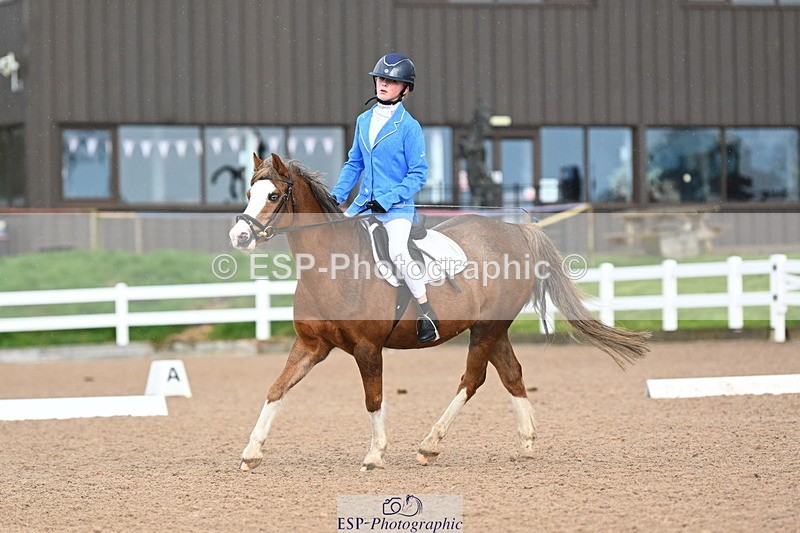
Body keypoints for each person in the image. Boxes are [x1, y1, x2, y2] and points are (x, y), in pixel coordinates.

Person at [330, 52, 439, 343]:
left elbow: (418, 174)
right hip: (362, 205)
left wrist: (389, 198)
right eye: (381, 78)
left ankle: (426, 312)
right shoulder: (363, 120)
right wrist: (336, 195)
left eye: (391, 81)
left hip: (397, 210)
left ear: (406, 89)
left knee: (398, 253)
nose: (383, 84)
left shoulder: (409, 127)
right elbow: (355, 163)